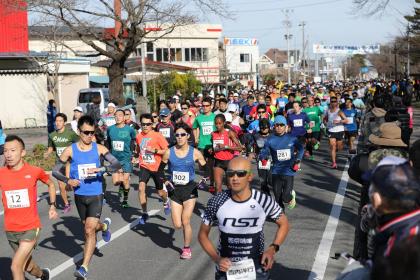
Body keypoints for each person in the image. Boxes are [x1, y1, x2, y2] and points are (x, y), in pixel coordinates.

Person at [198, 157, 289, 280]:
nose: (235, 178)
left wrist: (273, 249)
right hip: (226, 270)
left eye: (241, 174)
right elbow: (202, 235)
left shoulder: (263, 200)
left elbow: (284, 223)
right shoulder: (216, 201)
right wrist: (217, 259)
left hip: (257, 268)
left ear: (250, 177)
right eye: (230, 174)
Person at [52, 115, 120, 278]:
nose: (90, 135)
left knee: (89, 230)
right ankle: (103, 227)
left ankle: (84, 267)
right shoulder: (71, 150)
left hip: (96, 194)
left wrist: (101, 170)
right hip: (79, 195)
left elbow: (117, 164)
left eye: (92, 132)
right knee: (88, 227)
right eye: (86, 132)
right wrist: (68, 180)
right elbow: (55, 171)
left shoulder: (99, 149)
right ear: (78, 131)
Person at [0, 135, 58, 280]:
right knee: (28, 266)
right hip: (11, 228)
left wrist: (52, 205)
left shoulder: (34, 171)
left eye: (13, 150)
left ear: (23, 152)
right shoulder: (1, 173)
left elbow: (51, 184)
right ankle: (42, 275)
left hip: (30, 227)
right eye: (5, 151)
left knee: (15, 266)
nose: (8, 154)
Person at [161, 123, 207, 259]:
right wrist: (165, 181)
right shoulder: (169, 152)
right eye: (177, 135)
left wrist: (204, 180)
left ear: (187, 136)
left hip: (190, 188)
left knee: (186, 221)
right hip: (175, 189)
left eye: (182, 135)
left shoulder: (195, 153)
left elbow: (206, 168)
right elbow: (159, 170)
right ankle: (169, 204)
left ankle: (186, 249)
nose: (179, 137)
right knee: (177, 225)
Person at [259, 115, 304, 209]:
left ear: (285, 126)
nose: (279, 127)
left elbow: (301, 149)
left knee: (285, 198)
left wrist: (298, 160)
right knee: (278, 199)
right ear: (274, 126)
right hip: (276, 171)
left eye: (281, 125)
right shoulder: (270, 140)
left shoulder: (292, 138)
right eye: (277, 125)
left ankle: (291, 196)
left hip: (289, 171)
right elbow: (264, 151)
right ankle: (281, 216)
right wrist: (263, 158)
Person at [135, 113, 170, 224]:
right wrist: (135, 157)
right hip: (144, 166)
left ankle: (166, 201)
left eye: (148, 124)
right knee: (141, 188)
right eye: (143, 124)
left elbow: (166, 151)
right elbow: (138, 150)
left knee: (160, 193)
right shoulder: (139, 136)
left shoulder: (157, 135)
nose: (145, 126)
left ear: (152, 124)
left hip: (157, 168)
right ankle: (145, 213)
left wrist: (155, 151)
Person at [44, 113, 79, 213]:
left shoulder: (70, 134)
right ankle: (66, 204)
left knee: (73, 184)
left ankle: (81, 198)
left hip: (70, 163)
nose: (58, 123)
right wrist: (47, 153)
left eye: (60, 121)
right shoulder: (52, 135)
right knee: (61, 185)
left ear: (64, 122)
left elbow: (78, 143)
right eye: (56, 121)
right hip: (59, 163)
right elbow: (51, 147)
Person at [107, 109, 137, 208]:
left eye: (120, 115)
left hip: (126, 158)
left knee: (125, 180)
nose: (117, 117)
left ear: (124, 117)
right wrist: (107, 155)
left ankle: (125, 200)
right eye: (116, 115)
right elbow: (108, 142)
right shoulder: (110, 129)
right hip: (115, 159)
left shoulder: (130, 129)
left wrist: (133, 154)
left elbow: (133, 140)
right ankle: (121, 187)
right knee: (116, 182)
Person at [211, 114, 243, 193]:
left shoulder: (229, 133)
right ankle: (219, 204)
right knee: (218, 187)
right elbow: (215, 147)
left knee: (230, 187)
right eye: (216, 123)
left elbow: (240, 148)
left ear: (224, 123)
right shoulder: (213, 134)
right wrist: (211, 149)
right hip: (218, 161)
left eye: (220, 123)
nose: (217, 125)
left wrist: (226, 147)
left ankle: (230, 203)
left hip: (229, 162)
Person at [193, 97, 216, 191]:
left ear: (211, 106)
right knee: (201, 165)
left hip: (211, 144)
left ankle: (211, 184)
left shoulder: (215, 117)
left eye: (207, 106)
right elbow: (194, 127)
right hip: (202, 144)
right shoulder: (199, 118)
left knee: (211, 165)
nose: (205, 107)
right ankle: (207, 176)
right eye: (204, 106)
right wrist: (196, 138)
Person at [247, 119, 272, 194]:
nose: (264, 129)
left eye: (265, 128)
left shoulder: (273, 135)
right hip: (261, 161)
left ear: (269, 127)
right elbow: (249, 145)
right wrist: (251, 153)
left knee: (271, 181)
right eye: (262, 128)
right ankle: (266, 198)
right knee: (263, 181)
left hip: (273, 160)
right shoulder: (256, 135)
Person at [325, 96, 348, 169]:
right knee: (332, 147)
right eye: (332, 101)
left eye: (335, 101)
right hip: (331, 130)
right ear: (330, 103)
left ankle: (337, 149)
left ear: (337, 102)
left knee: (339, 147)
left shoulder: (339, 111)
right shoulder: (328, 110)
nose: (333, 102)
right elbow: (325, 118)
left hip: (339, 130)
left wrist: (339, 121)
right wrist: (325, 122)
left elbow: (346, 120)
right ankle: (334, 163)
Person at [303, 96, 323, 160]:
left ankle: (316, 143)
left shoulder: (316, 108)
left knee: (313, 140)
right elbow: (303, 118)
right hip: (308, 128)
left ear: (313, 101)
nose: (310, 102)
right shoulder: (305, 110)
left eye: (311, 100)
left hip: (316, 127)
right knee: (308, 141)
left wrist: (321, 122)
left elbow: (321, 114)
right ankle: (311, 155)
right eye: (308, 101)